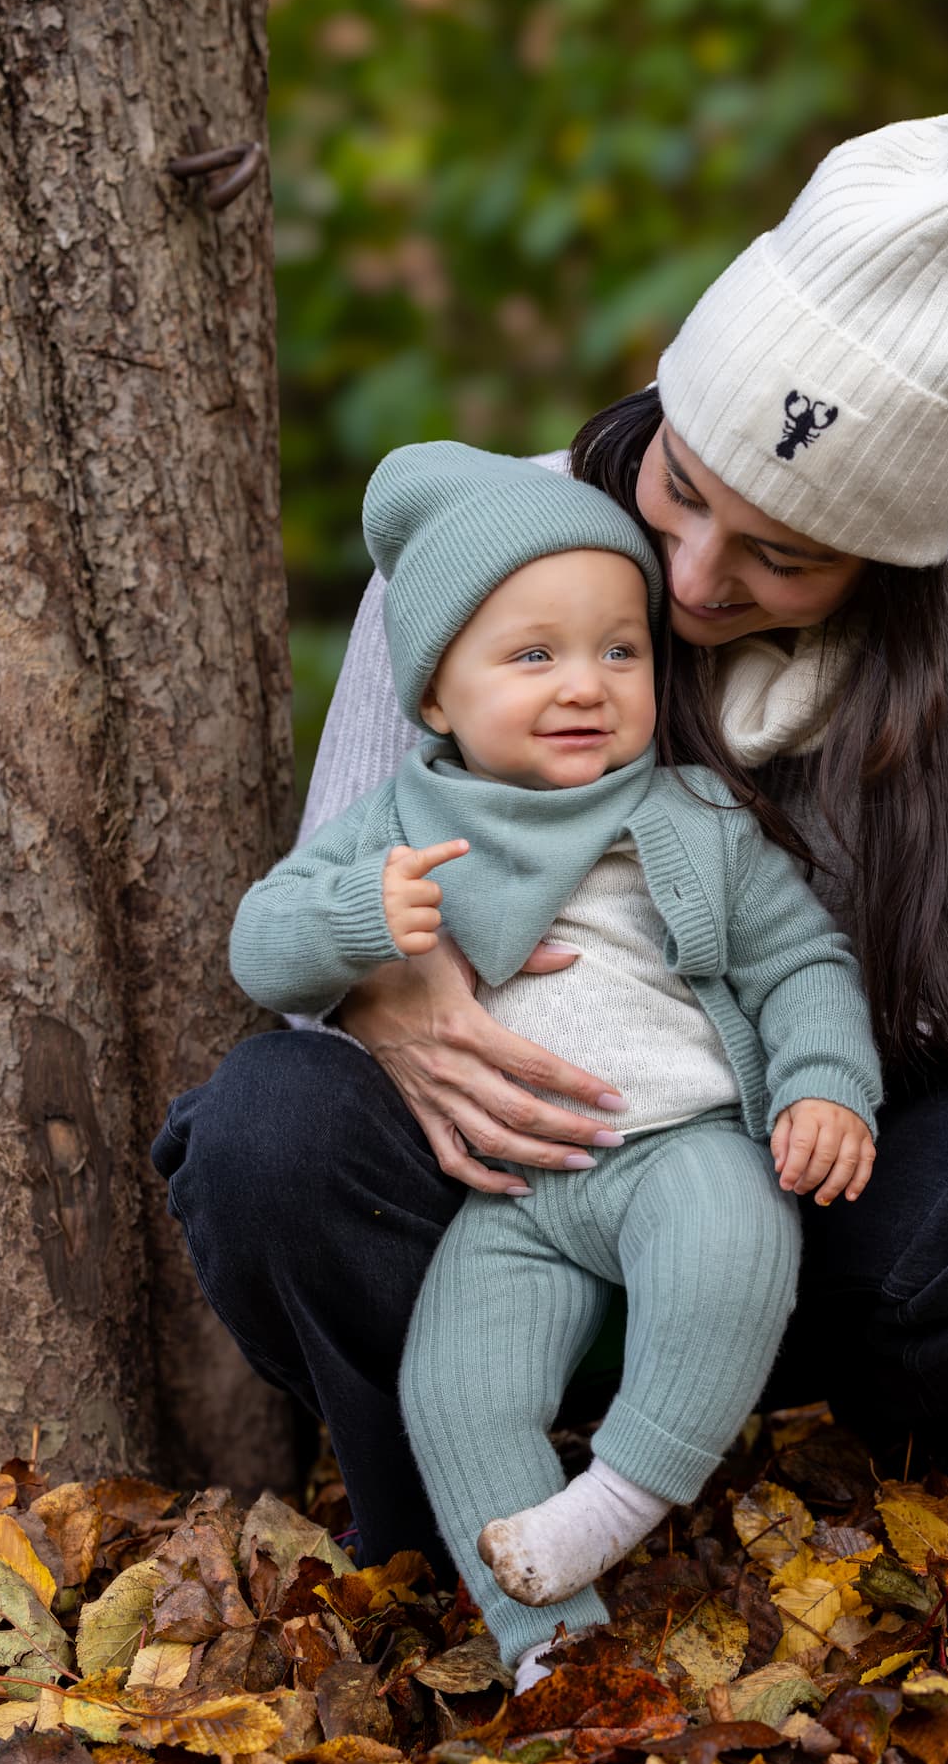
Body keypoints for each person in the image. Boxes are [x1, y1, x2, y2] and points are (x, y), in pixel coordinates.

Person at [153, 110, 948, 1591]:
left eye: (783, 556)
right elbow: (324, 901)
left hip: (792, 1197)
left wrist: (776, 1069)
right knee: (270, 1129)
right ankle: (448, 1524)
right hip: (497, 1177)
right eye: (684, 487)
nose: (692, 578)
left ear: (886, 557)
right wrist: (395, 999)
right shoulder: (480, 558)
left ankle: (946, 1524)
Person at [227, 442, 882, 1686]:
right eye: (533, 657)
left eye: (618, 651)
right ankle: (553, 1661)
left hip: (681, 1143)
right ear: (434, 697)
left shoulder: (692, 814)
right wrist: (360, 924)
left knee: (731, 1251)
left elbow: (803, 960)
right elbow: (262, 944)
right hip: (512, 1194)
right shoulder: (404, 824)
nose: (584, 686)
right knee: (455, 1387)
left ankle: (621, 1493)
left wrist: (823, 1083)